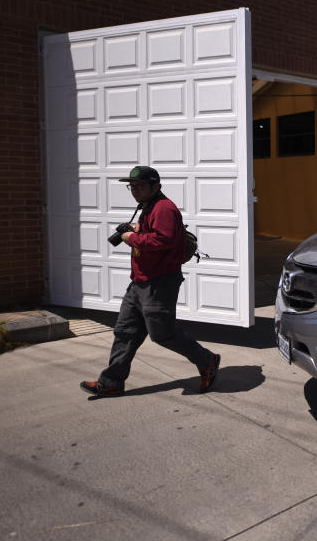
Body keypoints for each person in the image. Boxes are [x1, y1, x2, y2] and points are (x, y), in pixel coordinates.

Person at [81, 166, 220, 397]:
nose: (134, 191)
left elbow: (161, 240)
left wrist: (131, 237)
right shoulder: (148, 206)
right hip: (139, 281)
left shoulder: (164, 208)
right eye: (131, 186)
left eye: (140, 186)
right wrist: (135, 229)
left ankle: (207, 361)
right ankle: (112, 382)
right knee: (125, 332)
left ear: (155, 186)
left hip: (159, 282)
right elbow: (153, 234)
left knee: (163, 334)